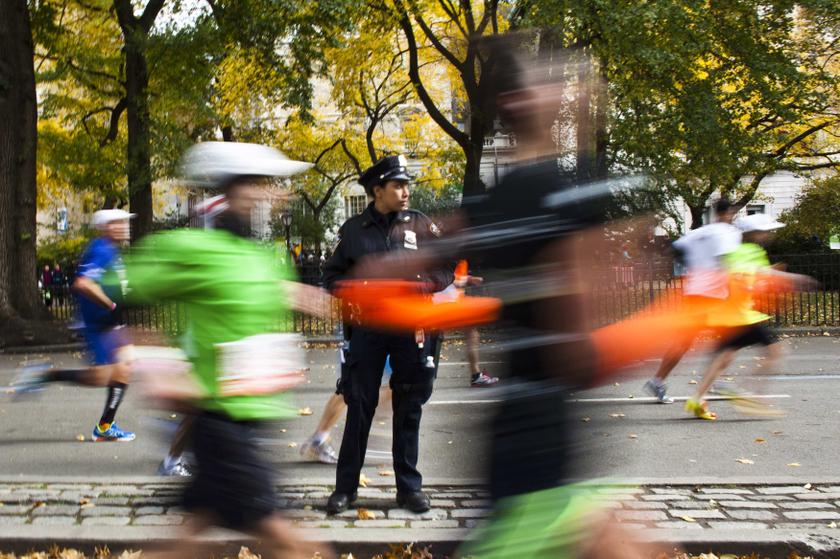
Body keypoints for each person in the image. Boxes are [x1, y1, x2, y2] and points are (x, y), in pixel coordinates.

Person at [129, 141, 329, 559]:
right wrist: (158, 366)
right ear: (233, 191)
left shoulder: (260, 257)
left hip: (254, 421)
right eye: (263, 185)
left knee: (191, 534)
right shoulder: (190, 248)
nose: (275, 195)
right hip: (220, 424)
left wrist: (293, 294)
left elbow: (249, 312)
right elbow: (118, 299)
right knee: (292, 544)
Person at [322, 155, 453, 515]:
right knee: (360, 406)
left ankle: (409, 489)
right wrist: (359, 290)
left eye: (406, 184)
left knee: (408, 407)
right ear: (377, 190)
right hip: (368, 329)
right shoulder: (353, 230)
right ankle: (345, 489)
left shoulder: (420, 225)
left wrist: (423, 285)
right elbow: (331, 278)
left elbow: (445, 268)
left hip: (410, 328)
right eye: (397, 185)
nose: (406, 191)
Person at [13, 209, 136, 442]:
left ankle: (105, 426)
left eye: (124, 223)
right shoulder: (100, 249)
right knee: (100, 377)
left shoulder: (111, 250)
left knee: (126, 365)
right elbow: (83, 284)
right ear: (104, 227)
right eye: (117, 223)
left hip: (111, 324)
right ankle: (44, 375)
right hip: (96, 324)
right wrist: (109, 304)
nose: (123, 227)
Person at [684, 213, 812, 420]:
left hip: (726, 315)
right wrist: (793, 278)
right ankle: (751, 395)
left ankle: (697, 399)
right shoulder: (748, 251)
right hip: (742, 316)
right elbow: (748, 272)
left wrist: (770, 274)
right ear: (754, 234)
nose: (768, 234)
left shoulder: (735, 252)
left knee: (724, 357)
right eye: (765, 231)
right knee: (776, 352)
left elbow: (755, 274)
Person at [642, 198, 742, 404]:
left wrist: (693, 268)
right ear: (729, 213)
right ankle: (713, 382)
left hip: (694, 293)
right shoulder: (729, 233)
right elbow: (727, 260)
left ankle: (657, 381)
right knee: (730, 339)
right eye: (733, 213)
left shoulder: (698, 232)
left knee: (684, 341)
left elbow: (674, 249)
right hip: (714, 296)